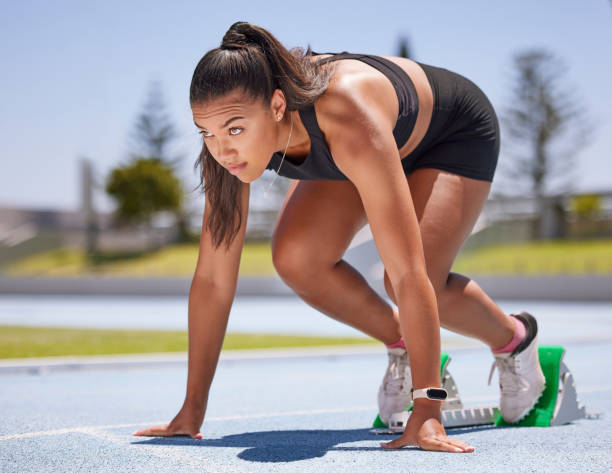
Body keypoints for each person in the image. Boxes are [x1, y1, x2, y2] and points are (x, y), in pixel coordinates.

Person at [133, 21, 546, 453]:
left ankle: (516, 340)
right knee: (296, 258)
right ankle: (410, 348)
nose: (222, 150)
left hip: (450, 134)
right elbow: (214, 281)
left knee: (409, 277)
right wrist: (191, 412)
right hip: (368, 142)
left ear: (276, 105)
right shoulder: (226, 142)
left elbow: (408, 274)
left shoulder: (345, 112)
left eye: (235, 130)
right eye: (207, 134)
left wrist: (427, 409)